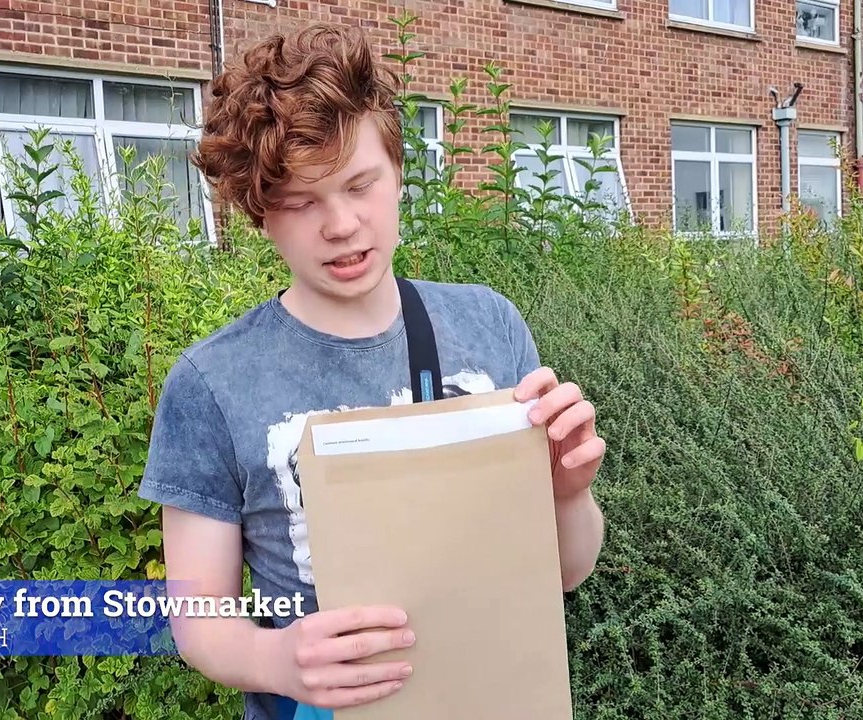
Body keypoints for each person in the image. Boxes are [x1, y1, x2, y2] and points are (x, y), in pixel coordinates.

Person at [136, 22, 606, 720]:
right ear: (260, 214)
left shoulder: (488, 326)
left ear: (398, 171)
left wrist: (567, 494)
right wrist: (278, 662)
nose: (343, 224)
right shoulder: (212, 382)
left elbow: (566, 571)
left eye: (361, 184)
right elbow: (198, 618)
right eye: (301, 201)